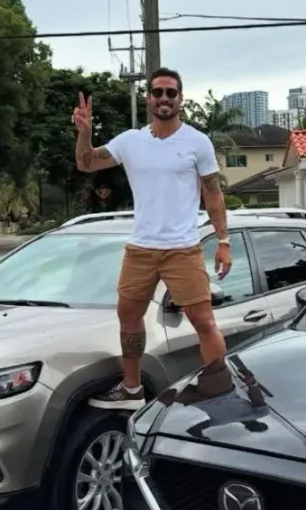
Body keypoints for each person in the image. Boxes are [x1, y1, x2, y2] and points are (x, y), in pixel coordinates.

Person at [72, 67, 233, 409]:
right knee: (128, 317)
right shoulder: (130, 141)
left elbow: (214, 195)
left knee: (203, 321)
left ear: (180, 99)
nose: (164, 99)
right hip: (141, 249)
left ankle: (219, 390)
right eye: (157, 92)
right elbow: (86, 163)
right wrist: (84, 133)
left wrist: (223, 241)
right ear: (148, 98)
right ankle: (131, 391)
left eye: (170, 93)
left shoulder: (196, 141)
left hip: (183, 249)